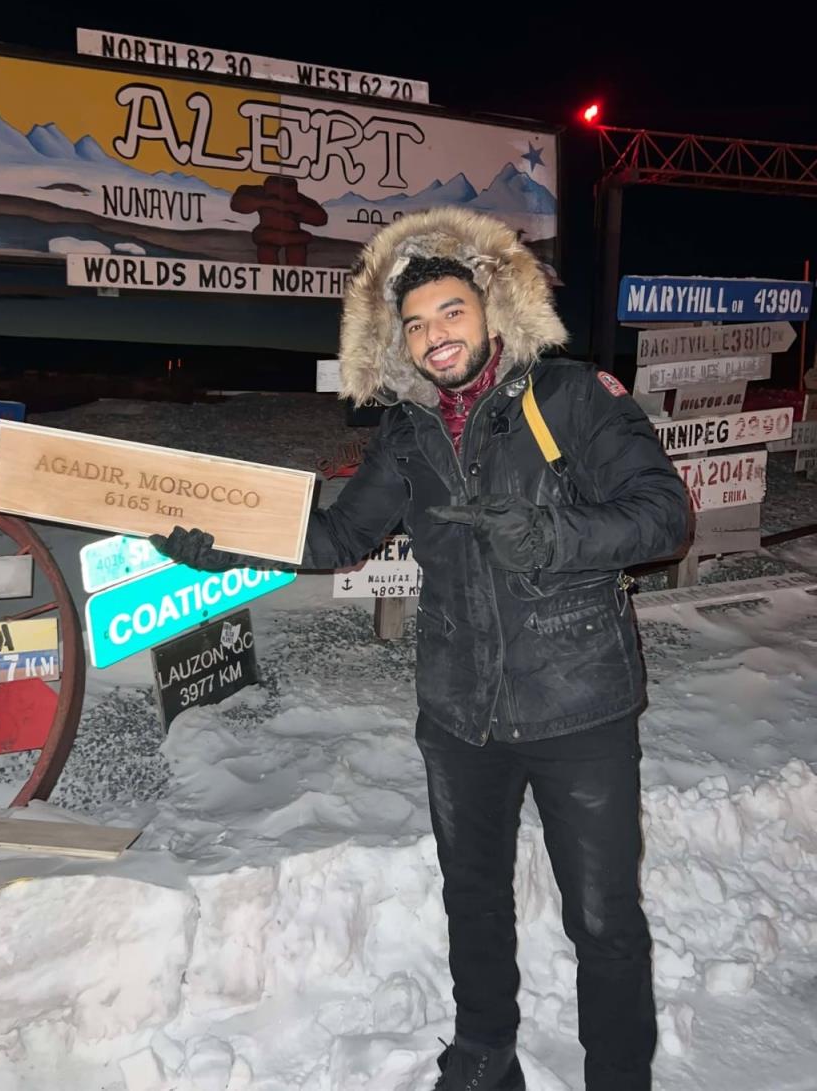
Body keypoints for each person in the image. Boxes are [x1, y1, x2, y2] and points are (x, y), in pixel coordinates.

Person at [152, 207, 690, 1091]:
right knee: (472, 902)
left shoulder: (573, 399)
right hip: (458, 710)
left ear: (491, 310)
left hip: (578, 703)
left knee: (605, 919)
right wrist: (233, 541)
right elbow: (338, 537)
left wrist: (552, 535)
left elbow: (664, 515)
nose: (434, 335)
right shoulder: (409, 431)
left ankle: (619, 1076)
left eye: (449, 312)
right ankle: (484, 1053)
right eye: (414, 325)